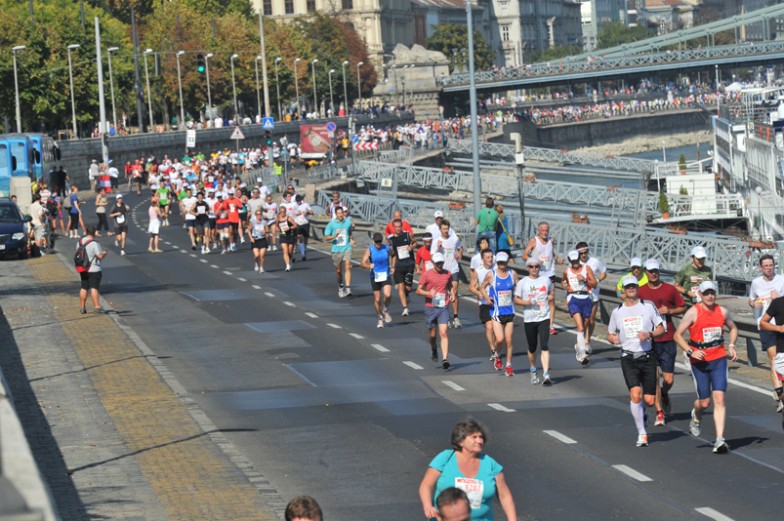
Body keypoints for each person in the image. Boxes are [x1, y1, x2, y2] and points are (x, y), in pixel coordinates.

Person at [674, 281, 738, 454]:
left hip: (718, 359)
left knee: (719, 398)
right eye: (706, 293)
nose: (710, 296)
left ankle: (720, 439)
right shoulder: (693, 312)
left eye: (712, 293)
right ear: (700, 295)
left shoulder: (722, 311)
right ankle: (696, 415)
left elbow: (733, 328)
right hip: (699, 362)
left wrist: (731, 345)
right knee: (704, 402)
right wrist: (690, 352)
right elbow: (677, 335)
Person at [418, 418, 516, 521]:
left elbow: (504, 495)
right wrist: (428, 506)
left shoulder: (490, 464)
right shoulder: (445, 458)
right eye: (474, 437)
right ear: (461, 441)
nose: (479, 441)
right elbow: (426, 485)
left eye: (481, 437)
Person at [607, 275, 665, 447]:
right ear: (623, 291)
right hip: (628, 357)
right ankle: (642, 433)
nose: (631, 288)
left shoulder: (648, 306)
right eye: (628, 287)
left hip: (647, 356)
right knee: (635, 394)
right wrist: (613, 339)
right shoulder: (617, 312)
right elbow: (610, 333)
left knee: (649, 400)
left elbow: (661, 328)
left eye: (633, 286)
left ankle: (642, 412)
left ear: (637, 288)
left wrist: (650, 334)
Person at [637, 258, 686, 426]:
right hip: (650, 341)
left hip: (667, 338)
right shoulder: (641, 291)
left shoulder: (669, 289)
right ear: (646, 272)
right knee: (654, 378)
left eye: (656, 270)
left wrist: (670, 310)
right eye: (650, 271)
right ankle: (659, 413)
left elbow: (682, 307)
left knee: (669, 379)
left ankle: (665, 393)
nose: (653, 273)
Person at [750, 254, 784, 412]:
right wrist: (754, 304)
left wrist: (778, 297)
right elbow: (751, 300)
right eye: (766, 266)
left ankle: (780, 390)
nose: (769, 268)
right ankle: (779, 394)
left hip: (780, 324)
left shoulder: (781, 280)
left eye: (771, 265)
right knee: (773, 359)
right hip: (766, 325)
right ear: (760, 267)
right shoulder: (756, 283)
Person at [515, 257, 555, 385]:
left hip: (544, 317)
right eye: (531, 266)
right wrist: (526, 302)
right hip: (529, 318)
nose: (534, 269)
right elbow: (516, 299)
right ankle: (533, 369)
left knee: (544, 345)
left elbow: (552, 292)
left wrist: (549, 297)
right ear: (527, 268)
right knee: (532, 348)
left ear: (539, 267)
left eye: (536, 266)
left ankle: (546, 374)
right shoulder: (523, 282)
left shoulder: (546, 280)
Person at [480, 252, 518, 377]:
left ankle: (509, 366)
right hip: (496, 312)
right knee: (500, 339)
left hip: (509, 311)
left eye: (504, 262)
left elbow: (519, 287)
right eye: (500, 262)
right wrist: (487, 297)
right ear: (497, 262)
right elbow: (482, 287)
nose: (502, 265)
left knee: (509, 340)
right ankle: (497, 354)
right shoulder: (491, 274)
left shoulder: (512, 274)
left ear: (507, 262)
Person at [416, 252, 455, 369]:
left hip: (443, 307)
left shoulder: (447, 274)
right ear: (433, 263)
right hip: (431, 307)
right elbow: (418, 290)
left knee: (443, 332)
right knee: (432, 335)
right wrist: (428, 293)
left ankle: (445, 359)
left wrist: (452, 294)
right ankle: (433, 348)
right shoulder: (427, 275)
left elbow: (450, 286)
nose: (439, 265)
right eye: (437, 263)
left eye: (441, 263)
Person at [523, 221, 562, 334]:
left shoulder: (551, 240)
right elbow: (524, 255)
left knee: (551, 299)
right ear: (538, 231)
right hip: (537, 275)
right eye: (543, 230)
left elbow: (550, 253)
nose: (545, 233)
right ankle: (536, 321)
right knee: (537, 299)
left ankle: (551, 325)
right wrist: (534, 261)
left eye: (547, 230)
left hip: (550, 274)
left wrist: (557, 258)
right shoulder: (534, 241)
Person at [562, 250, 596, 365]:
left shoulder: (587, 268)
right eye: (573, 261)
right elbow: (563, 280)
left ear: (579, 259)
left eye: (576, 260)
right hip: (573, 298)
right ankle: (582, 354)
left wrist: (585, 280)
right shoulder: (567, 271)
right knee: (580, 327)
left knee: (584, 326)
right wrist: (564, 284)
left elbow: (594, 284)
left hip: (586, 298)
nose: (575, 263)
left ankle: (578, 345)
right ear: (570, 261)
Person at [470, 247, 500, 371]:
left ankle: (496, 347)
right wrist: (479, 293)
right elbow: (471, 286)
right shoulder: (478, 271)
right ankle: (493, 350)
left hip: (497, 303)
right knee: (489, 327)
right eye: (487, 257)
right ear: (482, 259)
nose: (490, 259)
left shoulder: (497, 270)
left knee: (498, 330)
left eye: (491, 257)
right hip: (484, 303)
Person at [432, 219, 464, 328]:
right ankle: (442, 316)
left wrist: (459, 254)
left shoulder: (454, 238)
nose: (445, 231)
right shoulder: (437, 241)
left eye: (447, 228)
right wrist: (438, 248)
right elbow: (433, 256)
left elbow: (461, 247)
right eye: (443, 229)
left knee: (454, 291)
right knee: (441, 293)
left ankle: (456, 317)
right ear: (440, 229)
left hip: (453, 269)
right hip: (442, 270)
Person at [576, 242, 606, 350]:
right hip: (579, 294)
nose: (583, 255)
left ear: (588, 251)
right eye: (581, 253)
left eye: (585, 252)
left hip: (593, 294)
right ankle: (581, 340)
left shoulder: (595, 262)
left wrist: (597, 280)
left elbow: (604, 273)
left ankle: (587, 341)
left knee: (591, 320)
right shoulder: (574, 263)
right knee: (583, 320)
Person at [361, 232, 393, 328]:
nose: (378, 243)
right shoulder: (370, 250)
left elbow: (394, 255)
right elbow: (362, 263)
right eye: (377, 242)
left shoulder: (387, 248)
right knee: (377, 299)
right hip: (375, 276)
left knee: (388, 295)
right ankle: (380, 317)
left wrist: (393, 267)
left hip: (385, 274)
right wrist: (368, 265)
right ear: (373, 241)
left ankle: (385, 309)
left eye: (380, 241)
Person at [77, 226, 109, 314]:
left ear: (86, 232)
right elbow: (100, 256)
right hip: (94, 268)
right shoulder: (94, 243)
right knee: (94, 288)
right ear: (94, 233)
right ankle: (97, 307)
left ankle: (82, 307)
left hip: (83, 268)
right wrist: (105, 253)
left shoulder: (80, 242)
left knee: (84, 287)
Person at [323, 206, 354, 297]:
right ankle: (341, 286)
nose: (341, 215)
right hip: (336, 250)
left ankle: (348, 288)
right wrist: (334, 236)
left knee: (347, 267)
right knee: (338, 270)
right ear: (336, 214)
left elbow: (350, 232)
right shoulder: (331, 224)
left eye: (342, 213)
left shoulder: (348, 222)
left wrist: (351, 239)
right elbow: (326, 237)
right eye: (339, 213)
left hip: (347, 247)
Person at [389, 218, 416, 316]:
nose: (398, 229)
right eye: (396, 227)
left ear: (402, 227)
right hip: (398, 266)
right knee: (400, 286)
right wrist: (392, 267)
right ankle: (405, 308)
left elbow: (415, 243)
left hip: (409, 264)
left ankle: (406, 293)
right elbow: (392, 254)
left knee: (408, 288)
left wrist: (411, 247)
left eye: (399, 227)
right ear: (393, 227)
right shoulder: (391, 239)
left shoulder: (407, 235)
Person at [276, 206, 298, 272]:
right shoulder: (278, 219)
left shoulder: (289, 218)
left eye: (284, 211)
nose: (283, 213)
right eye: (281, 211)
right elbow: (277, 226)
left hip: (290, 236)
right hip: (283, 236)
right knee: (285, 251)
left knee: (289, 252)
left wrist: (289, 228)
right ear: (279, 212)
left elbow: (295, 225)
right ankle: (287, 266)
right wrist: (279, 229)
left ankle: (290, 260)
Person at [248, 208, 269, 273]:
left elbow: (267, 230)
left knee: (262, 255)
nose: (259, 215)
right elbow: (249, 230)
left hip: (262, 240)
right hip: (255, 240)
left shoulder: (264, 222)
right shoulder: (253, 222)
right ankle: (256, 263)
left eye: (260, 214)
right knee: (257, 255)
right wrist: (251, 238)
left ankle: (261, 268)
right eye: (257, 214)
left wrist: (265, 231)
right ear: (256, 215)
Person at [294, 194, 313, 261]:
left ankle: (304, 250)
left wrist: (307, 212)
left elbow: (312, 212)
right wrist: (296, 214)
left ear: (301, 200)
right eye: (297, 200)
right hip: (298, 224)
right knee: (299, 237)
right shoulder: (294, 206)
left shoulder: (305, 205)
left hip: (305, 223)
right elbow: (292, 213)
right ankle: (303, 255)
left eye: (299, 200)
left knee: (305, 239)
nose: (298, 202)